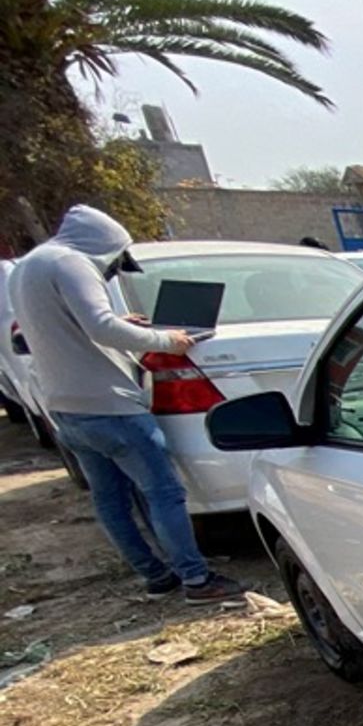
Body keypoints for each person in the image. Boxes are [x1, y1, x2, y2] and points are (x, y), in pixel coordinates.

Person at [6, 206, 244, 602]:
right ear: (107, 247)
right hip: (110, 405)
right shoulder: (72, 263)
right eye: (115, 263)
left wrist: (123, 322)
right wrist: (167, 340)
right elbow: (99, 327)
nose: (114, 270)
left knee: (109, 498)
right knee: (163, 492)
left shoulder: (27, 268)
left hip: (66, 408)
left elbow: (68, 328)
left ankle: (155, 577)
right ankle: (197, 580)